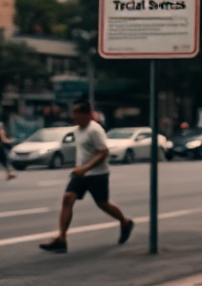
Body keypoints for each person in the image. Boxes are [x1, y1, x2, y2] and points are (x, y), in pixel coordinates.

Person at [40, 100, 134, 253]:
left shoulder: (94, 130)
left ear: (87, 115)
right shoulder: (78, 130)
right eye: (73, 113)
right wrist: (80, 168)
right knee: (67, 198)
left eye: (77, 114)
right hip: (81, 173)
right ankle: (61, 239)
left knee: (103, 204)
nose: (74, 117)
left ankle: (125, 222)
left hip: (97, 174)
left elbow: (104, 152)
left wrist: (86, 168)